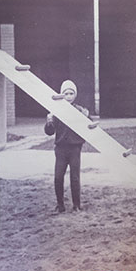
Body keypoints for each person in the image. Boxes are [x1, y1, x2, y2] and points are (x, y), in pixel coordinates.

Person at [45, 79, 97, 213]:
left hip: (75, 148)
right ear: (61, 94)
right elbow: (49, 132)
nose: (68, 96)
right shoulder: (56, 111)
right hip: (60, 149)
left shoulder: (80, 110)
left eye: (71, 93)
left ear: (75, 95)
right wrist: (49, 121)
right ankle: (60, 205)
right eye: (66, 93)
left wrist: (87, 117)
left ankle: (76, 205)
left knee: (75, 177)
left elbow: (90, 126)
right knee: (58, 177)